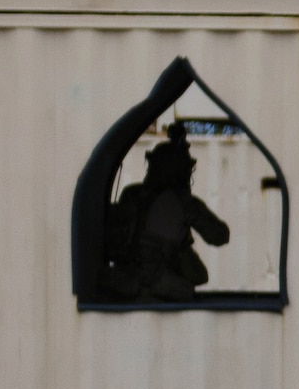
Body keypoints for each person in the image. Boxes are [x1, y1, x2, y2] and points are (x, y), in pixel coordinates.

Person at [99, 123, 231, 303]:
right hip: (161, 289)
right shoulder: (183, 202)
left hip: (122, 284)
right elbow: (220, 236)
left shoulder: (131, 193)